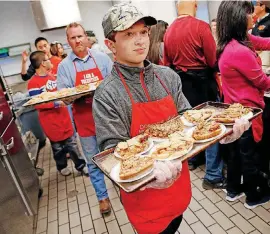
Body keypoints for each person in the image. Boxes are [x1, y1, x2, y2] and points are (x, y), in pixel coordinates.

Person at [93, 2, 250, 233]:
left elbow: (189, 120)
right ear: (110, 45)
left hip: (178, 185)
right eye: (128, 34)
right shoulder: (107, 94)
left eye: (143, 32)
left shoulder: (167, 76)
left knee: (176, 223)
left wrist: (222, 133)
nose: (140, 40)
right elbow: (112, 152)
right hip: (145, 199)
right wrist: (148, 176)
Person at [163, 0, 225, 190]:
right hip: (202, 83)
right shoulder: (200, 26)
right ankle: (213, 174)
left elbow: (166, 64)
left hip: (182, 84)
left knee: (190, 123)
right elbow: (212, 59)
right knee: (209, 125)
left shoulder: (169, 31)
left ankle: (194, 159)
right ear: (195, 6)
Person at [217, 0, 270, 209]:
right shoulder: (238, 50)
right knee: (250, 155)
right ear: (238, 18)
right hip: (247, 111)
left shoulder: (235, 42)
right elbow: (262, 82)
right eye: (248, 14)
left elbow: (264, 43)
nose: (252, 17)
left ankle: (233, 190)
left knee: (237, 154)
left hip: (234, 107)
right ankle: (253, 195)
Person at [57, 22, 113, 214]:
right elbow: (63, 98)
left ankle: (123, 187)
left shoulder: (102, 58)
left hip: (108, 118)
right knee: (93, 160)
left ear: (86, 37)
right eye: (73, 38)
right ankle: (102, 198)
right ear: (68, 42)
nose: (78, 40)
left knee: (115, 154)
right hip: (85, 120)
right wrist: (76, 94)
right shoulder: (64, 67)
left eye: (80, 36)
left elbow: (115, 83)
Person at [27, 51, 88, 176]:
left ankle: (81, 166)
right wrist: (55, 104)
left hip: (64, 118)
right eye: (48, 59)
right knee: (58, 148)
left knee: (73, 145)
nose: (51, 61)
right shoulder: (33, 83)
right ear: (43, 63)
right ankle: (62, 166)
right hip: (50, 122)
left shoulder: (52, 77)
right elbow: (37, 103)